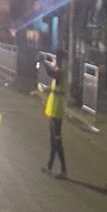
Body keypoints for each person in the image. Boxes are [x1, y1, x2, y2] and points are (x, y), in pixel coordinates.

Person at [42, 49, 67, 178]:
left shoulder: (61, 72)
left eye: (57, 58)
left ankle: (63, 170)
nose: (56, 60)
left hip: (57, 110)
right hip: (52, 109)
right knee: (53, 140)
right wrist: (46, 89)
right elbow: (53, 86)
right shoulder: (59, 71)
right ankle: (49, 166)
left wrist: (43, 62)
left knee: (57, 140)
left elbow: (52, 73)